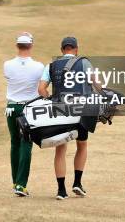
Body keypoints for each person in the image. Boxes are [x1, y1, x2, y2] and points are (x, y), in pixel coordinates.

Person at [38, 36, 94, 200]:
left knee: (60, 148)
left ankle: (61, 191)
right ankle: (77, 183)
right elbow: (97, 84)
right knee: (82, 145)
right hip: (81, 109)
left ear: (62, 50)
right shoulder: (84, 63)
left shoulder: (51, 65)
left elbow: (41, 89)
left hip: (60, 109)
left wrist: (50, 99)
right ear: (76, 49)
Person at [4, 32, 44, 197]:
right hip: (28, 109)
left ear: (17, 45)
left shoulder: (7, 64)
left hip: (11, 108)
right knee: (26, 144)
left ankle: (15, 182)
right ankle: (20, 184)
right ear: (31, 45)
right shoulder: (39, 67)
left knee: (15, 143)